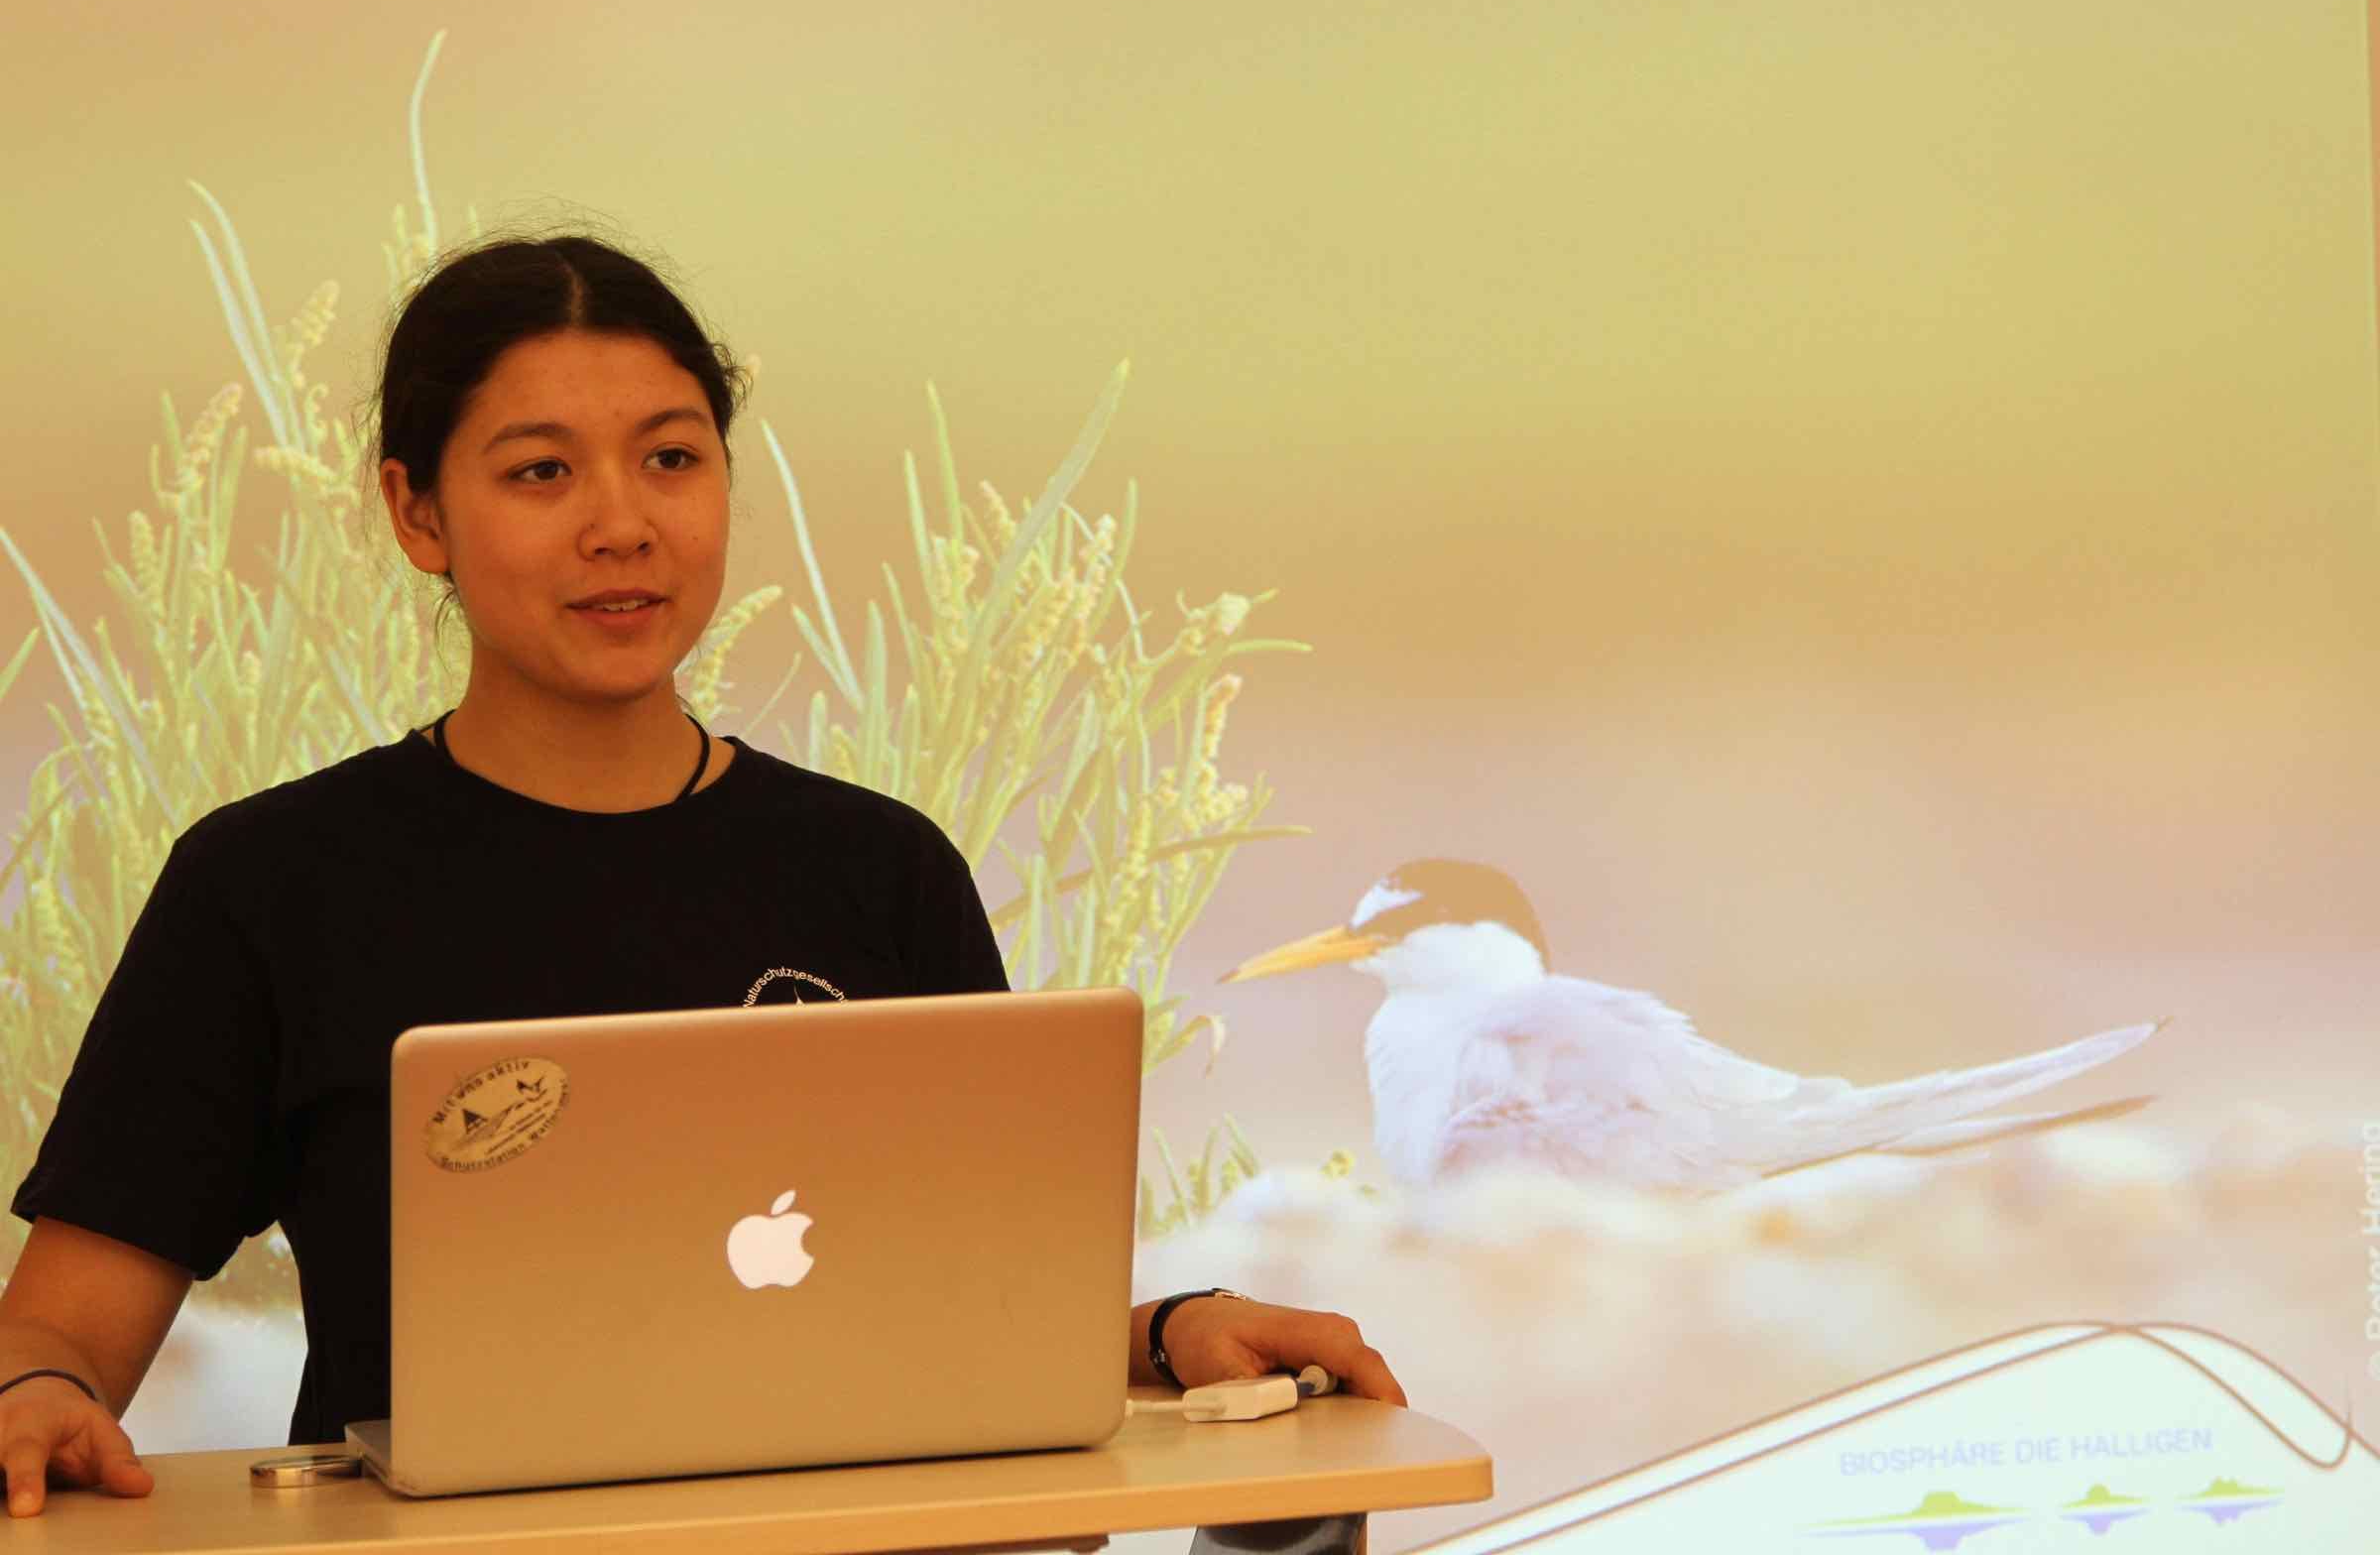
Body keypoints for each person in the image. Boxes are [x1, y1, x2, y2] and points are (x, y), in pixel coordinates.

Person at [0, 232, 1404, 1519]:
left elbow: (968, 1317)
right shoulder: (272, 883)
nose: (623, 525)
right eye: (541, 471)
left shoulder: (878, 869)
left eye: (671, 459)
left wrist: (1166, 1334)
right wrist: (38, 1398)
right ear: (417, 514)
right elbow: (59, 1333)